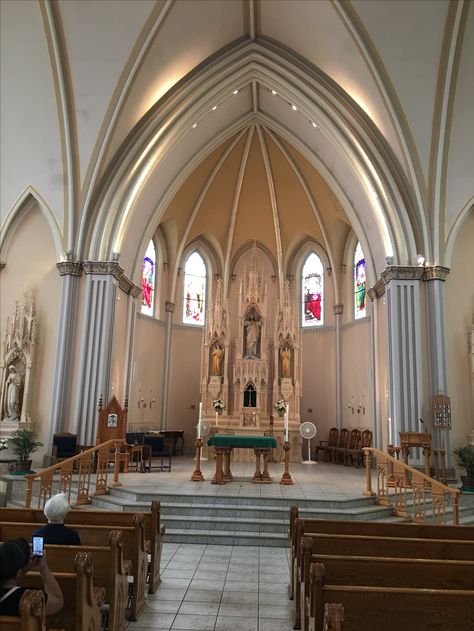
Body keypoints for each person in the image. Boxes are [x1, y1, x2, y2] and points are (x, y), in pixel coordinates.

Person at [0, 538, 63, 616]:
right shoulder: (28, 598)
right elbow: (58, 601)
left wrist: (21, 570)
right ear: (19, 572)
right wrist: (43, 568)